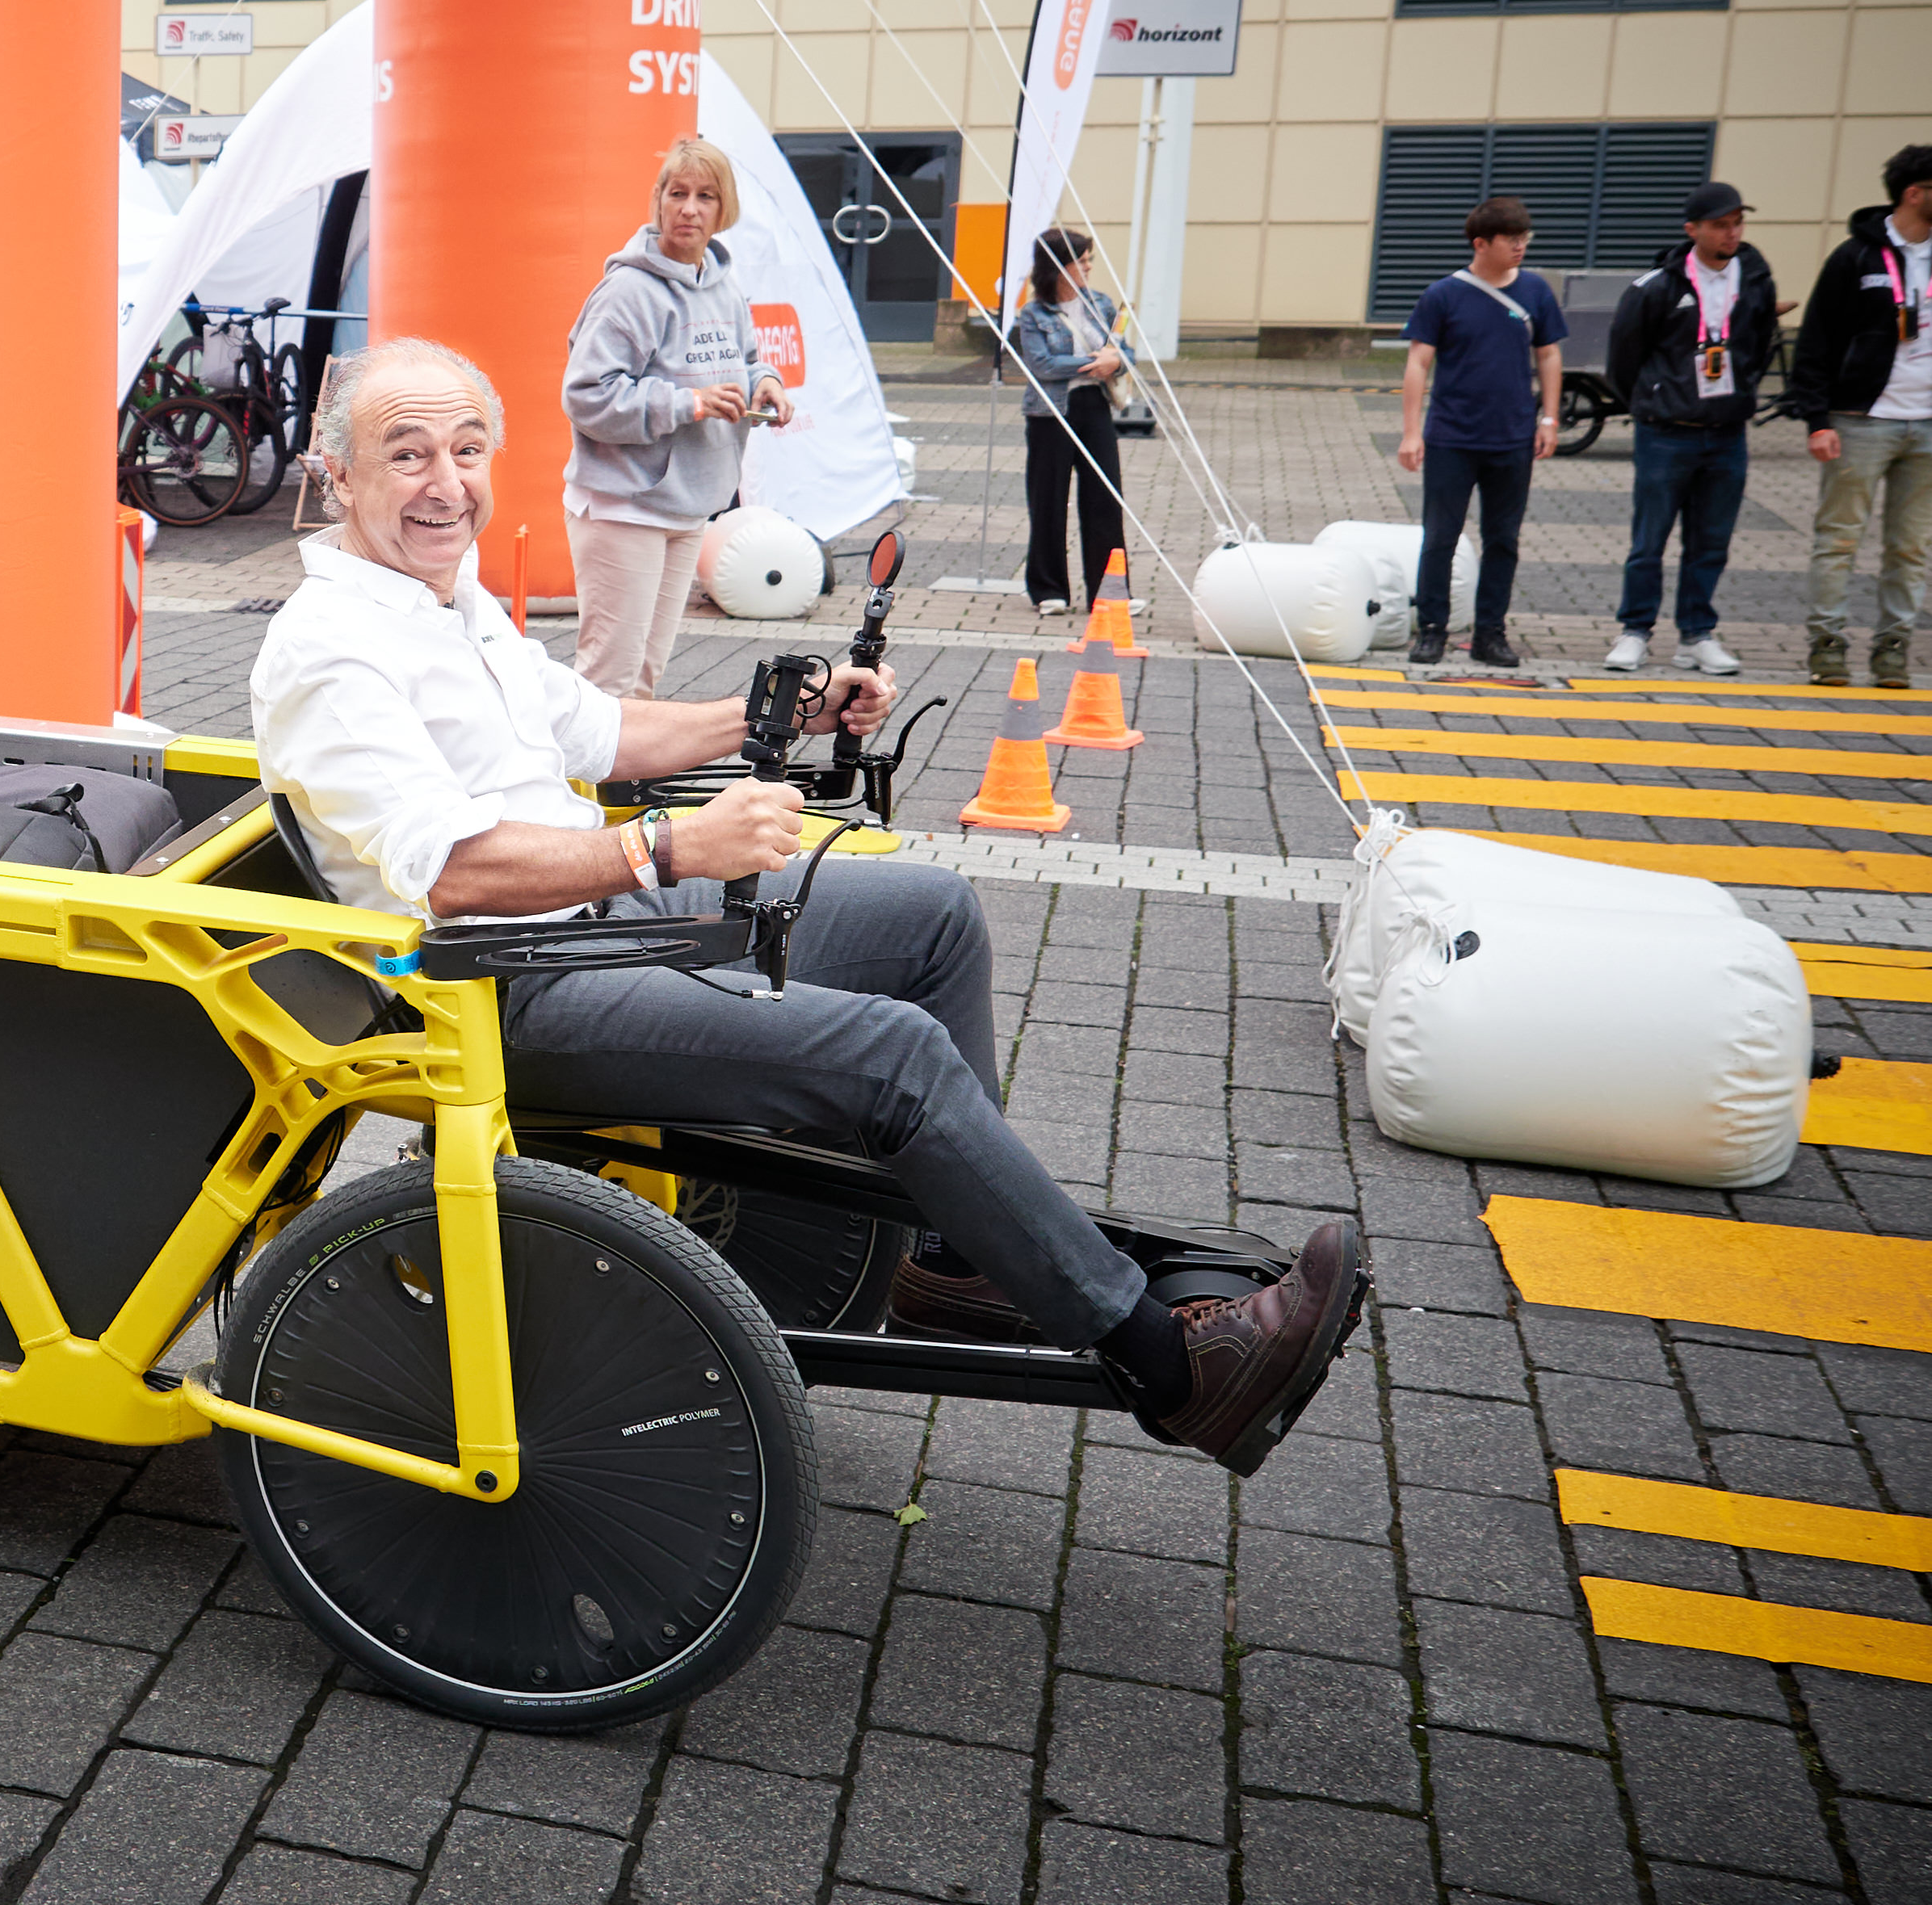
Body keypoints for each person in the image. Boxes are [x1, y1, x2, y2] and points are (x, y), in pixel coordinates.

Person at [253, 338, 1365, 1477]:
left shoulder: (442, 597)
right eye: (406, 455)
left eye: (465, 449)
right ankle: (1173, 1370)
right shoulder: (332, 647)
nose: (445, 484)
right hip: (498, 993)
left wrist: (785, 711)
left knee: (929, 917)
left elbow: (598, 730)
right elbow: (447, 872)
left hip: (581, 918)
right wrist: (670, 844)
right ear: (340, 478)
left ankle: (951, 1257)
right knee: (887, 1056)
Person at [561, 136, 788, 698]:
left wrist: (766, 385)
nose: (689, 208)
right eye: (678, 192)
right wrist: (687, 403)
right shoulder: (629, 292)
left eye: (705, 196)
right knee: (607, 678)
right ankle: (578, 784)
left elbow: (750, 359)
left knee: (643, 676)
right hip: (624, 507)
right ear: (658, 200)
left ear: (722, 209)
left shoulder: (723, 287)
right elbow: (587, 395)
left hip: (688, 507)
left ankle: (625, 782)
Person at [1602, 181, 1781, 674]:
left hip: (1726, 433)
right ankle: (1635, 630)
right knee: (1649, 540)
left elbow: (1760, 345)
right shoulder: (1657, 286)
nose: (1731, 233)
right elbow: (1623, 360)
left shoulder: (1756, 281)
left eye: (1737, 223)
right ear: (1693, 230)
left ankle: (1696, 635)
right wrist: (1654, 400)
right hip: (1666, 432)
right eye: (1720, 225)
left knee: (1711, 541)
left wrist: (1740, 391)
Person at [1784, 145, 1932, 689]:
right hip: (1860, 420)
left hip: (1927, 424)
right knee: (1838, 538)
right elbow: (1816, 341)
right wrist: (1815, 419)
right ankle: (1827, 645)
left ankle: (1892, 649)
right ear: (1913, 193)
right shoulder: (1856, 257)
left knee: (1911, 546)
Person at [1396, 196, 1564, 665]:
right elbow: (1418, 362)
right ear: (1481, 243)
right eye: (1512, 240)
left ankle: (1491, 632)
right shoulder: (1443, 295)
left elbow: (1548, 354)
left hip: (1512, 438)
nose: (1520, 247)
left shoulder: (1535, 292)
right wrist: (1413, 432)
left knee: (1503, 539)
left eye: (1524, 238)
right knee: (1440, 538)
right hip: (1452, 437)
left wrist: (1548, 418)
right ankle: (1432, 630)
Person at [1006, 228, 1131, 619]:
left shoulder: (1102, 304)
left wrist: (1118, 360)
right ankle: (1048, 589)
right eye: (1083, 260)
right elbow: (1041, 365)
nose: (1090, 267)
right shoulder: (1033, 313)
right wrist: (1098, 363)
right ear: (1059, 267)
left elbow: (1123, 350)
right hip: (1050, 414)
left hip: (1094, 407)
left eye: (1090, 259)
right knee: (1048, 499)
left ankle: (1109, 591)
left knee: (1105, 498)